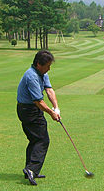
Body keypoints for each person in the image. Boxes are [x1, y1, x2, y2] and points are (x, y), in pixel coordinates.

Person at [16, 50, 61, 186]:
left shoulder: (42, 73)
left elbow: (49, 90)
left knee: (35, 139)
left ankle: (30, 170)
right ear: (38, 64)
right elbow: (38, 101)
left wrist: (56, 107)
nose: (49, 68)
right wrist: (51, 113)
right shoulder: (32, 76)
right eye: (47, 65)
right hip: (28, 110)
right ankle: (31, 169)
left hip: (32, 109)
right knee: (42, 140)